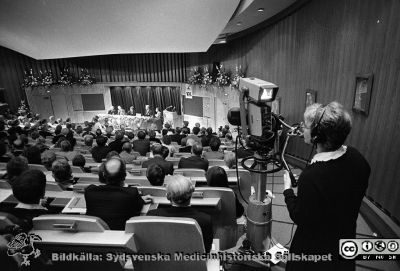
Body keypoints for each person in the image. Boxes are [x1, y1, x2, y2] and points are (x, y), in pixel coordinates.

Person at [283, 102, 370, 271]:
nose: (302, 129)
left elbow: (300, 216)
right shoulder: (358, 158)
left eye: (306, 126)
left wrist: (287, 191)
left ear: (317, 135)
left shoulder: (311, 177)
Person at [147, 175, 213, 252]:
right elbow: (206, 250)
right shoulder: (205, 220)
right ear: (191, 194)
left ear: (167, 196)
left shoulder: (152, 215)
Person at [85, 158, 152, 230]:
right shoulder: (131, 193)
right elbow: (137, 207)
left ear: (103, 174)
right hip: (120, 237)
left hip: (95, 237)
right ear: (124, 176)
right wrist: (140, 199)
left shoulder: (90, 191)